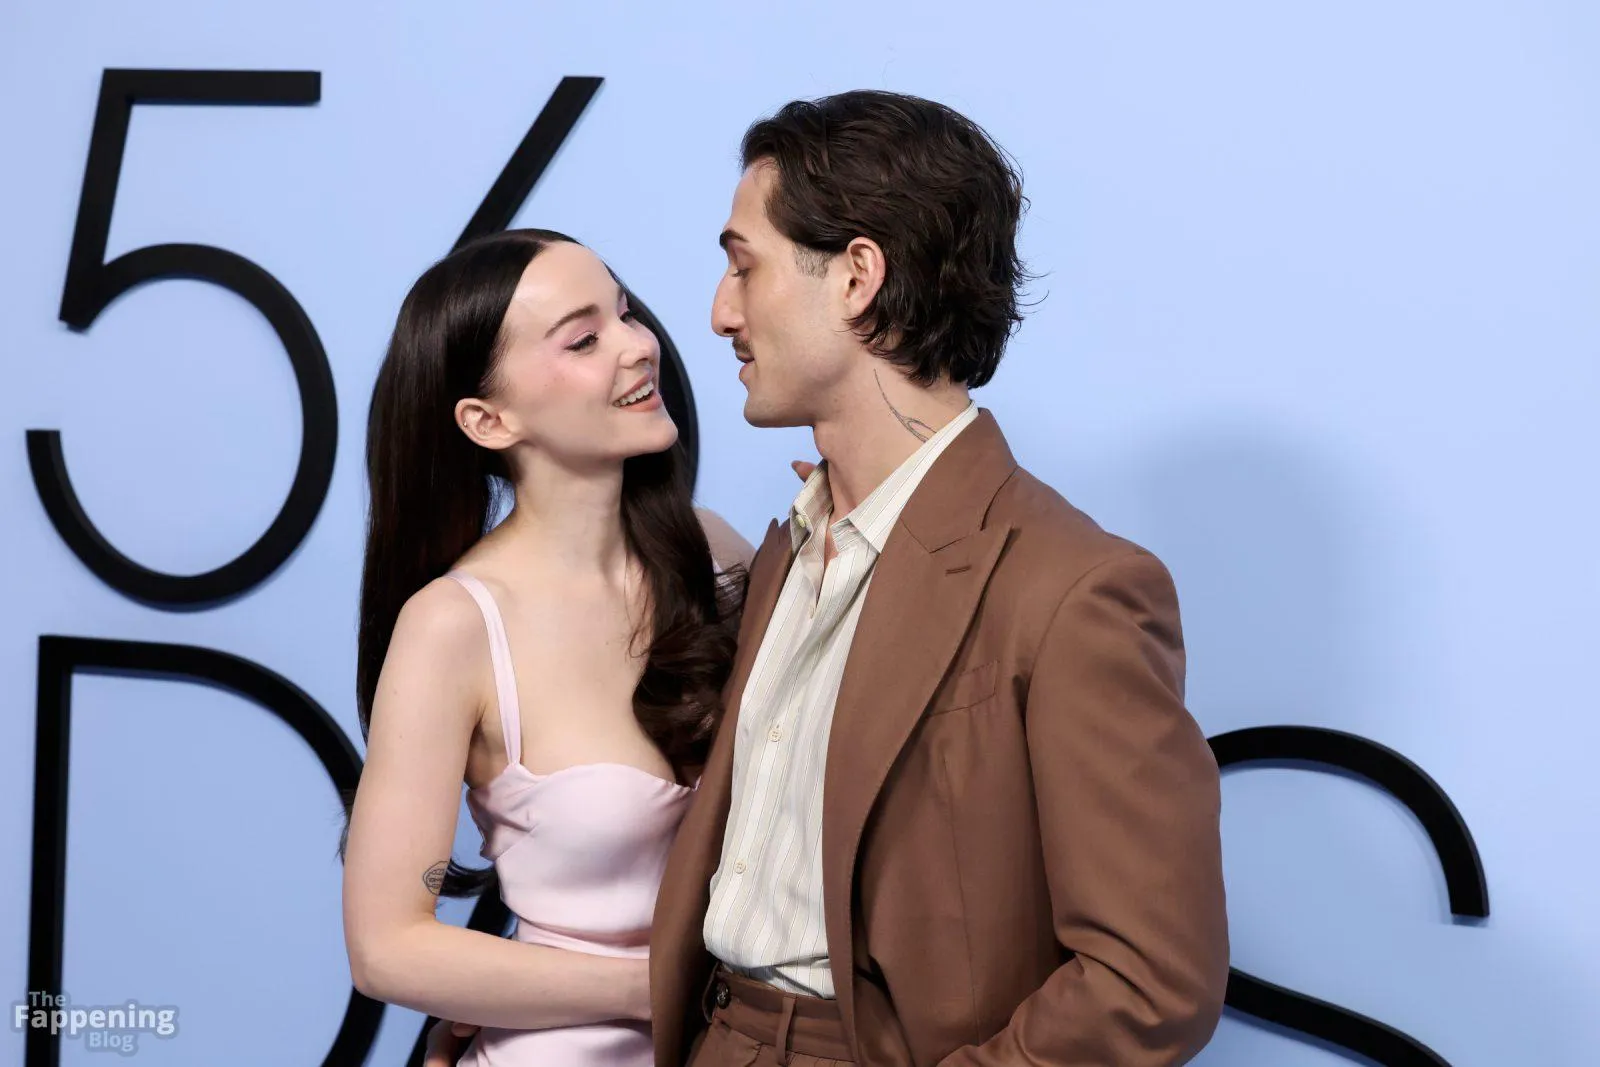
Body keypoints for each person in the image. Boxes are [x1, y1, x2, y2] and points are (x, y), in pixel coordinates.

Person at [645, 90, 1231, 1066]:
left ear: (857, 277)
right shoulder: (791, 547)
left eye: (744, 266)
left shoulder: (1072, 587)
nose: (719, 312)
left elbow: (1151, 979)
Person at [340, 227, 754, 1067]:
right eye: (584, 339)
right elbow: (386, 946)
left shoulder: (713, 555)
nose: (638, 347)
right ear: (488, 419)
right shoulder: (454, 626)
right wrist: (655, 988)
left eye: (625, 313)